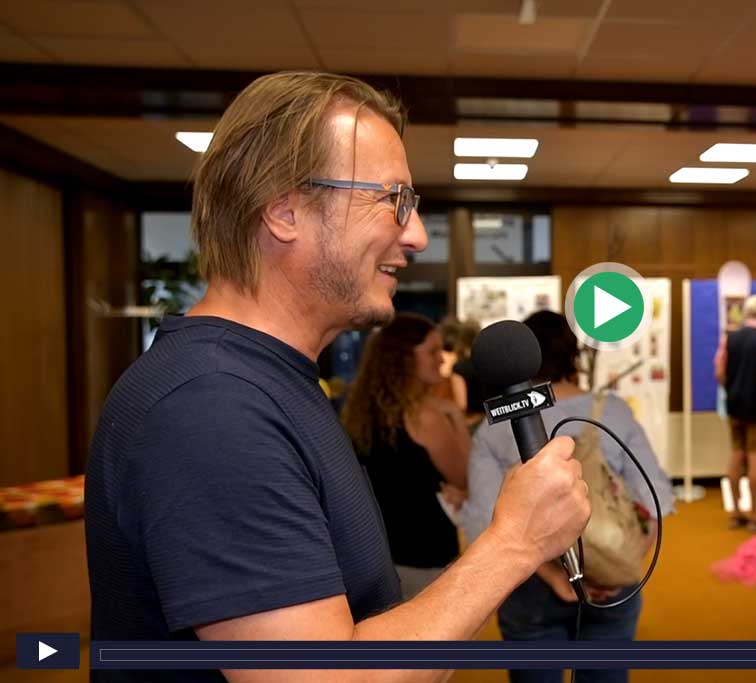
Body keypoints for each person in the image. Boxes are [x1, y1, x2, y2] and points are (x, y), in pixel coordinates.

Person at [84, 71, 590, 683]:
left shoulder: (272, 380)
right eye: (393, 199)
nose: (416, 235)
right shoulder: (211, 407)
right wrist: (514, 542)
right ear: (285, 211)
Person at [462, 310, 676, 683]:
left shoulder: (493, 427)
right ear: (572, 354)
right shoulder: (612, 411)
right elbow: (655, 497)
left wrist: (552, 576)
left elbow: (483, 520)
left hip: (528, 582)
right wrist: (619, 569)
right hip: (612, 582)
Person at [341, 313, 470, 599]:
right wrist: (455, 416)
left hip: (375, 556)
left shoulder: (363, 412)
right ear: (404, 358)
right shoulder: (425, 415)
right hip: (425, 556)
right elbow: (464, 475)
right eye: (432, 351)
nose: (442, 358)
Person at [714, 294, 756, 531]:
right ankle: (755, 515)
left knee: (736, 454)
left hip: (734, 404)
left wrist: (731, 389)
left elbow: (719, 371)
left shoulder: (729, 338)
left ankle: (735, 512)